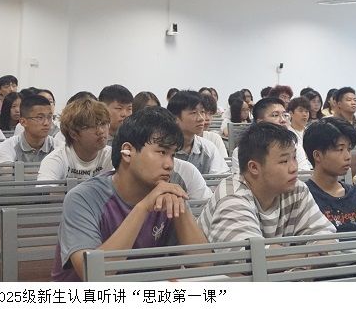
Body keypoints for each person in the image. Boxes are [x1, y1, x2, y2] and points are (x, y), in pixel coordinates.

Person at [51, 107, 208, 281]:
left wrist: (181, 209)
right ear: (127, 152)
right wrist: (143, 207)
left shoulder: (168, 197)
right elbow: (94, 274)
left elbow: (205, 266)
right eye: (162, 152)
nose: (169, 164)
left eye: (172, 155)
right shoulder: (83, 198)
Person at [197, 122, 335, 245]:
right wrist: (308, 255)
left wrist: (311, 253)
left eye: (294, 157)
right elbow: (252, 256)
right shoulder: (232, 196)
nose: (294, 168)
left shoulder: (296, 189)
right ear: (254, 167)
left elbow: (326, 236)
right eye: (284, 161)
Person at [303, 119, 356, 233]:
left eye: (349, 149)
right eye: (340, 149)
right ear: (317, 155)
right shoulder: (304, 198)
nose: (348, 156)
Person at [38, 97, 111, 181]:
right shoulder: (55, 159)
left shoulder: (111, 155)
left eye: (103, 124)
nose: (101, 131)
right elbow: (45, 188)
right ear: (73, 134)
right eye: (92, 126)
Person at [167, 91, 229, 175]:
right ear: (175, 118)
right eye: (193, 113)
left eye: (202, 112)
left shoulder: (208, 148)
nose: (201, 118)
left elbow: (222, 177)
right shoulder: (163, 149)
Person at [0, 94, 56, 163]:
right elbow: (6, 169)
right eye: (40, 117)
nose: (46, 123)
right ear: (23, 122)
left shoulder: (58, 146)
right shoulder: (8, 146)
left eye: (49, 117)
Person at [197, 93, 229, 159]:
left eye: (210, 114)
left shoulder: (214, 138)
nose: (208, 118)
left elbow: (225, 162)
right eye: (203, 113)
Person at [287, 96, 313, 171]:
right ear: (291, 113)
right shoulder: (287, 134)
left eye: (307, 111)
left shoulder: (311, 132)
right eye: (301, 111)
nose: (304, 114)